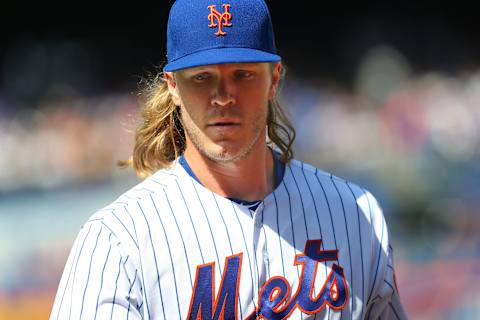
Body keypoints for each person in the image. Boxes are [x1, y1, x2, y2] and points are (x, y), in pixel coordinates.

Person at [50, 0, 407, 319]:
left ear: (274, 79)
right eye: (202, 78)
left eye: (242, 74)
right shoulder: (120, 239)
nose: (223, 96)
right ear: (173, 86)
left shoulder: (356, 215)